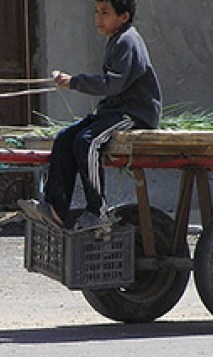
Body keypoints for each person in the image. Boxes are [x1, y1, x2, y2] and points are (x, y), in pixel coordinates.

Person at [20, 0, 161, 230]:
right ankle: (55, 208)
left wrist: (74, 82)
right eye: (96, 12)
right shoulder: (116, 39)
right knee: (66, 138)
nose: (98, 18)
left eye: (105, 13)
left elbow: (113, 84)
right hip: (115, 110)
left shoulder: (128, 41)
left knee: (87, 143)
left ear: (124, 17)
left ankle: (98, 211)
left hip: (134, 113)